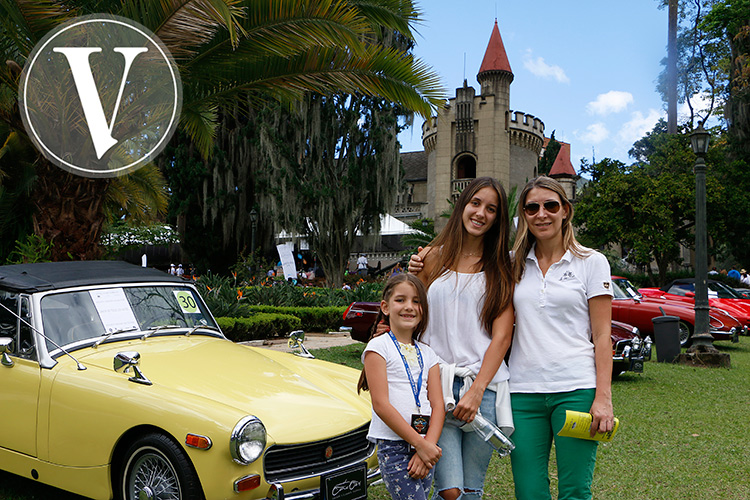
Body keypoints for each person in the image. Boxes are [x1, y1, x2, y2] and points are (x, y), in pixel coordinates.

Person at [407, 176, 515, 500]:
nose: (481, 213)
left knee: (472, 490)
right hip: (437, 388)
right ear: (463, 206)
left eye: (491, 209)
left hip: (483, 391)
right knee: (450, 491)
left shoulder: (502, 267)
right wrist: (410, 273)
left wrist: (477, 390)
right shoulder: (431, 258)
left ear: (498, 218)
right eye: (475, 203)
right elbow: (410, 315)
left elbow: (502, 336)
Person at [509, 176, 614, 500]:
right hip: (522, 393)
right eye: (532, 207)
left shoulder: (591, 262)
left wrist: (603, 397)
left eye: (550, 206)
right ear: (524, 215)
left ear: (565, 210)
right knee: (528, 491)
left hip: (576, 391)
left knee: (575, 491)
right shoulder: (512, 264)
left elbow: (602, 334)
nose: (542, 214)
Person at [358, 274, 445, 500]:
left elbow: (437, 405)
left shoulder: (429, 353)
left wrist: (428, 446)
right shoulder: (378, 347)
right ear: (385, 307)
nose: (409, 307)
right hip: (395, 446)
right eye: (401, 300)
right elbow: (381, 405)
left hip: (426, 445)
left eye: (416, 301)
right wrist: (419, 444)